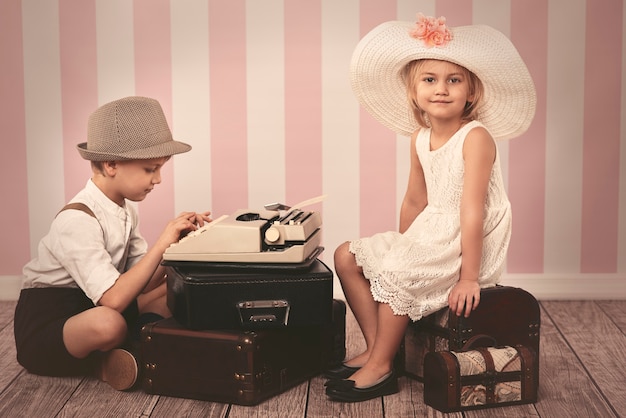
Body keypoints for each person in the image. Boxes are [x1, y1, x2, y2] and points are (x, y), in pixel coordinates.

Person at [325, 14, 536, 402]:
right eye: (429, 79)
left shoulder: (476, 137)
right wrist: (405, 246)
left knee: (396, 272)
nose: (441, 89)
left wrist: (469, 277)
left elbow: (472, 211)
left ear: (470, 92)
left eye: (453, 80)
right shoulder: (420, 138)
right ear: (414, 89)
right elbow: (415, 200)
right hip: (431, 230)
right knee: (347, 256)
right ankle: (379, 350)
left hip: (467, 240)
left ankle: (381, 369)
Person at [13, 96, 211, 391]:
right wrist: (160, 243)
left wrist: (174, 247)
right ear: (111, 164)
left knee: (170, 288)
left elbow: (142, 282)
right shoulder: (76, 220)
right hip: (53, 325)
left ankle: (131, 349)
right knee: (109, 323)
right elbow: (114, 300)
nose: (158, 179)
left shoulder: (124, 209)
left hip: (97, 304)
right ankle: (105, 362)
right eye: (150, 169)